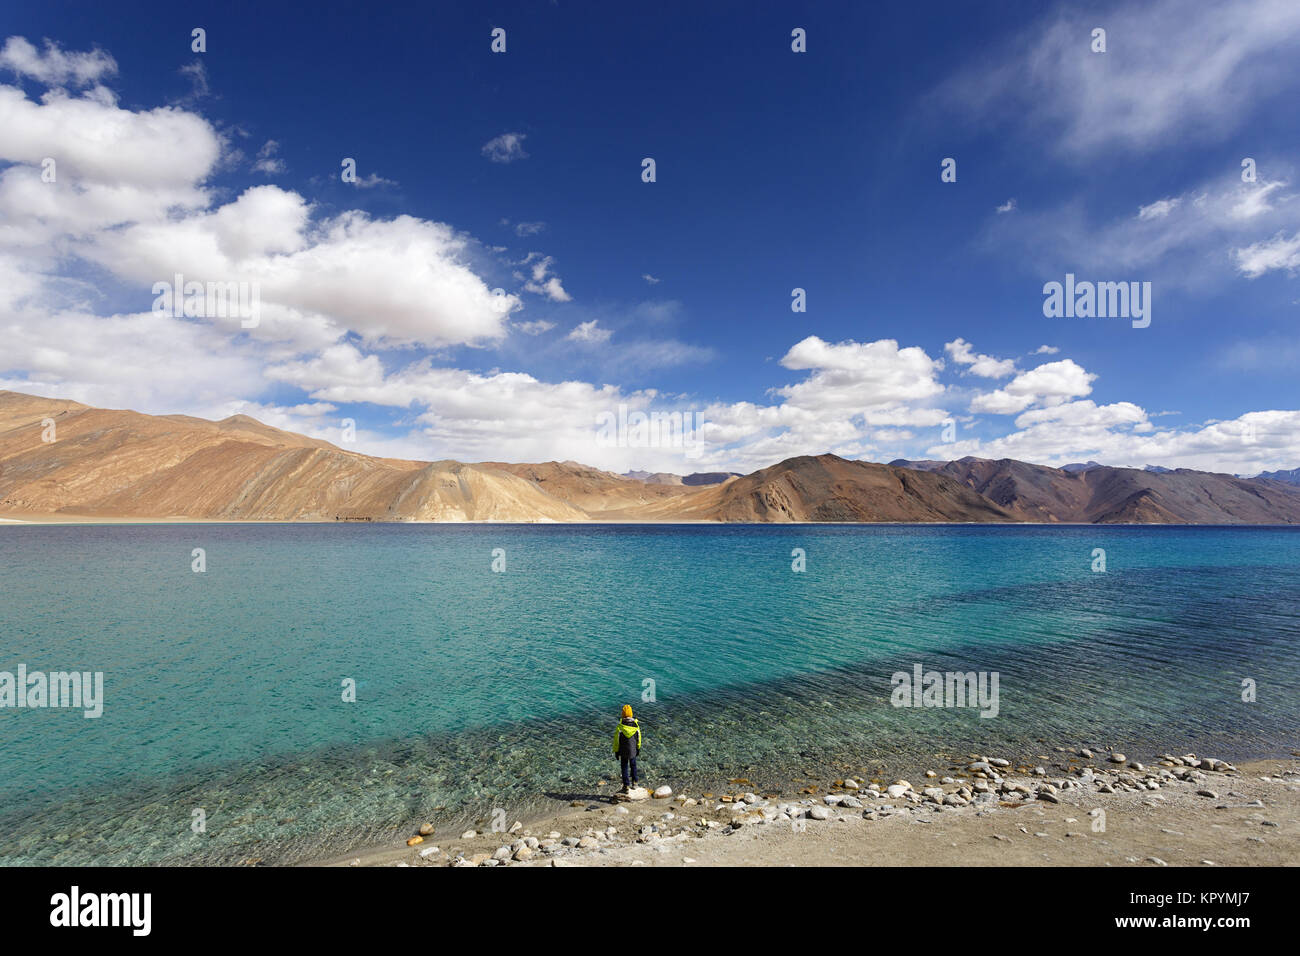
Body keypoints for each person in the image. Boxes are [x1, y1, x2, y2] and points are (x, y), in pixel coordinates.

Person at [612, 704, 642, 793]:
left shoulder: (620, 727)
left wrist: (616, 751)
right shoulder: (636, 726)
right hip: (633, 751)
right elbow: (639, 738)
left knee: (624, 767)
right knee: (633, 766)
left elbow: (616, 741)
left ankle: (626, 786)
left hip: (623, 751)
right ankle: (635, 783)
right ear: (631, 714)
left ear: (623, 714)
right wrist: (638, 748)